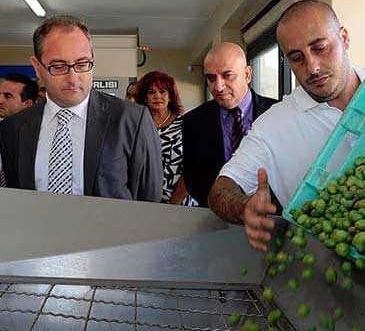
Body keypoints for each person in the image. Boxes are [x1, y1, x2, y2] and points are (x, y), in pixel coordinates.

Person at [208, 0, 364, 251]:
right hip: (328, 273)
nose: (312, 67)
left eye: (320, 48)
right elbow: (220, 190)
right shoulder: (273, 126)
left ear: (344, 38)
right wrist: (244, 207)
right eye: (297, 58)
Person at [0, 15, 162, 202]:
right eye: (59, 66)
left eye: (82, 64)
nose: (73, 77)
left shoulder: (132, 120)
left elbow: (149, 200)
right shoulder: (13, 128)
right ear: (37, 67)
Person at [183, 42, 277, 207]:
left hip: (270, 216)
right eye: (211, 78)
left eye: (228, 75)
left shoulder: (277, 114)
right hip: (216, 217)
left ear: (247, 74)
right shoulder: (193, 121)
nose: (218, 86)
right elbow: (193, 180)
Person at [135, 71, 193, 205]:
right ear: (144, 97)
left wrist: (174, 203)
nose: (157, 96)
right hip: (145, 202)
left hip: (181, 201)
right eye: (151, 92)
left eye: (162, 91)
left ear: (170, 96)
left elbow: (192, 169)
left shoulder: (186, 124)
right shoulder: (137, 125)